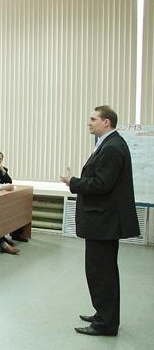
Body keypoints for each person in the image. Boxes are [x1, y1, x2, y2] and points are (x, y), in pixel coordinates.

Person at [59, 106, 139, 337]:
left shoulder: (113, 146)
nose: (89, 123)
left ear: (107, 122)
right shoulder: (108, 143)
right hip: (103, 221)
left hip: (103, 222)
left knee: (101, 272)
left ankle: (105, 323)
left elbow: (102, 184)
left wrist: (72, 181)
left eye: (93, 119)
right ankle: (104, 314)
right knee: (102, 271)